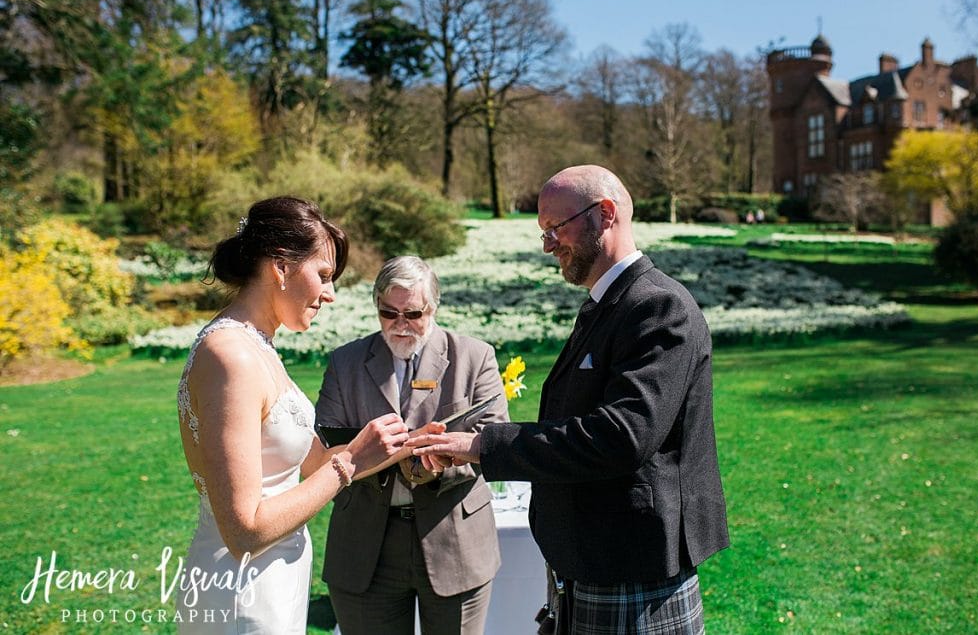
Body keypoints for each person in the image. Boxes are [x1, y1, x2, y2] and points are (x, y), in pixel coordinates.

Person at [409, 165, 730, 634]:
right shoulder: (607, 305)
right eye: (544, 232)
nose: (547, 244)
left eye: (555, 228)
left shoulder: (658, 307)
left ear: (605, 214)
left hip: (630, 572)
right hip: (590, 564)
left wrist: (482, 446)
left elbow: (622, 436)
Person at [175, 196, 410, 634]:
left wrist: (403, 444)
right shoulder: (231, 357)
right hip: (241, 591)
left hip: (274, 584)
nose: (331, 294)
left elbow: (312, 464)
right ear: (280, 267)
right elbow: (244, 529)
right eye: (323, 275)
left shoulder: (259, 345)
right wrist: (351, 462)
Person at [316, 256, 509, 635]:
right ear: (376, 307)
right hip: (366, 543)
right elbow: (325, 444)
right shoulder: (346, 362)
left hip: (454, 537)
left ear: (433, 308)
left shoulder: (474, 356)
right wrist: (391, 454)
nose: (401, 325)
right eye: (389, 313)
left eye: (413, 313)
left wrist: (438, 461)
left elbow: (492, 439)